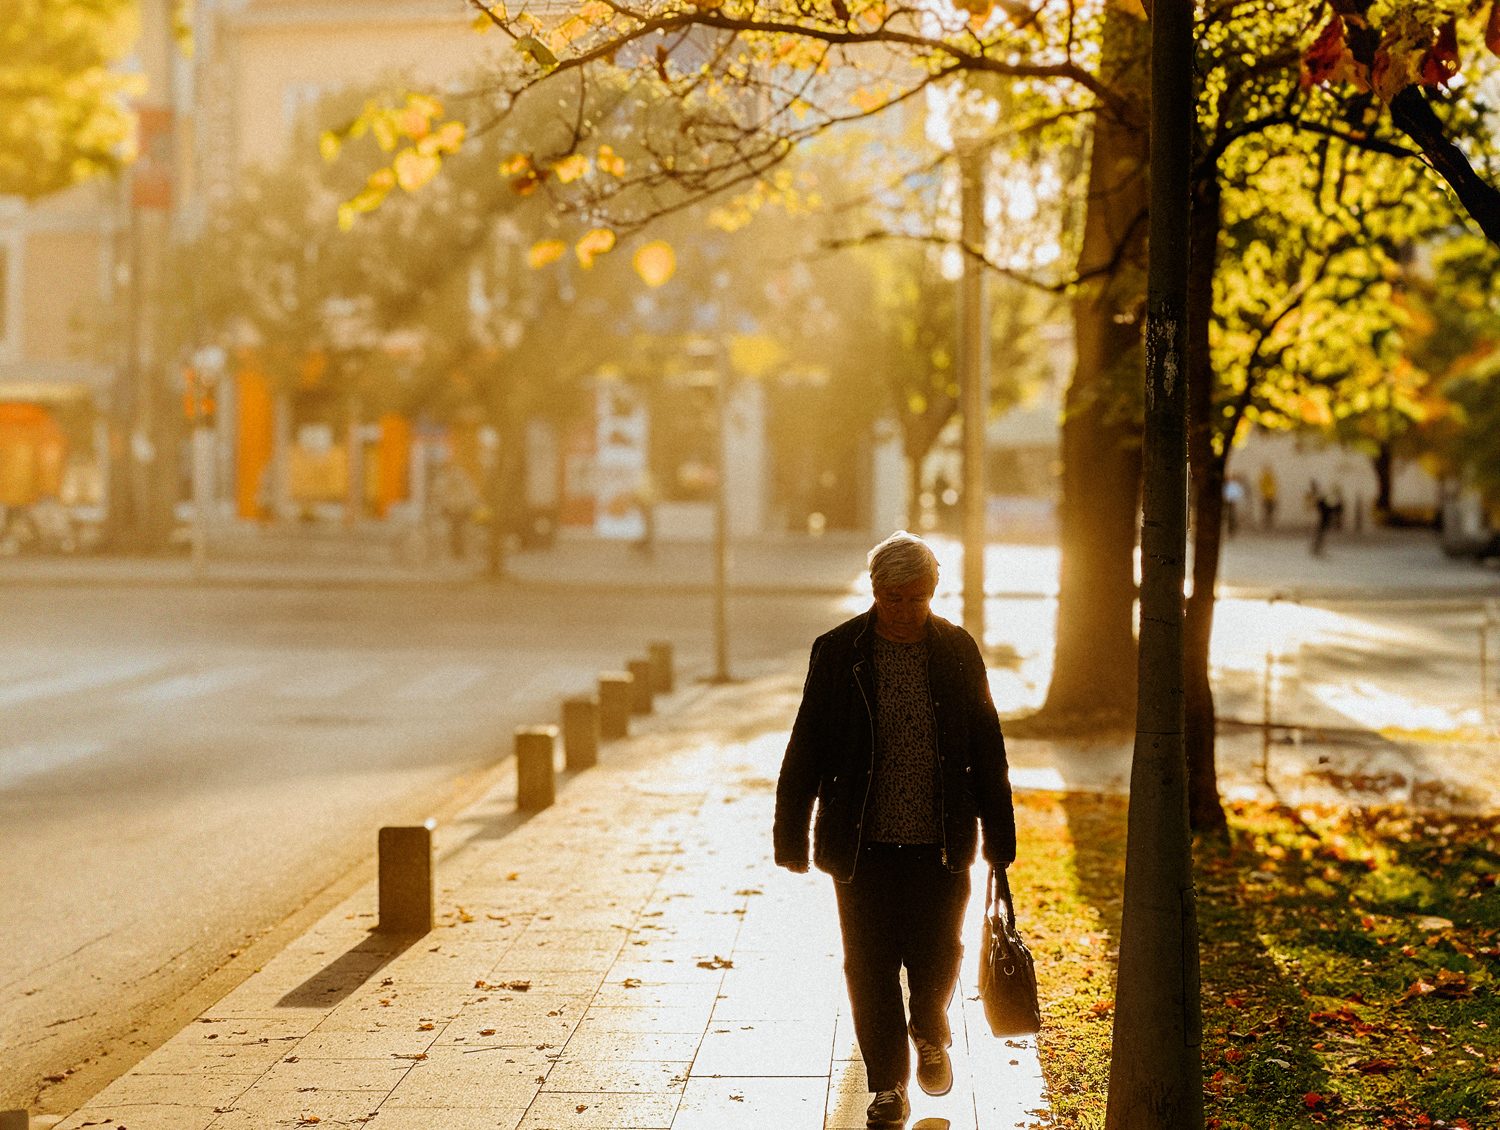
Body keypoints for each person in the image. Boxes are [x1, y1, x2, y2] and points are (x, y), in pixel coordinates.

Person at [774, 530, 1016, 1130]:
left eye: (917, 598)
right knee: (870, 966)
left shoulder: (957, 649)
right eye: (893, 598)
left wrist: (1001, 842)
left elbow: (987, 746)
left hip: (941, 841)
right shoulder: (837, 652)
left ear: (933, 593)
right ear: (875, 592)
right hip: (862, 845)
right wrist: (790, 833)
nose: (905, 611)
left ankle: (930, 1029)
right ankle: (886, 1088)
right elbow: (807, 743)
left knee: (939, 955)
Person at [1258, 465, 1279, 530]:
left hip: (1270, 496)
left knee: (1269, 510)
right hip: (1267, 496)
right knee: (1267, 510)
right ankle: (1267, 522)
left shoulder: (1270, 477)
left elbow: (1275, 486)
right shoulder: (1265, 477)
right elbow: (1261, 486)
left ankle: (1268, 522)